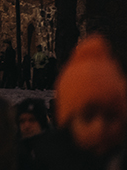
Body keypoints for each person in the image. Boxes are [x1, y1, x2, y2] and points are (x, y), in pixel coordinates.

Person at [32, 35, 127, 170]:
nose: (100, 127)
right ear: (68, 121)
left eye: (111, 116)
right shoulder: (51, 160)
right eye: (88, 117)